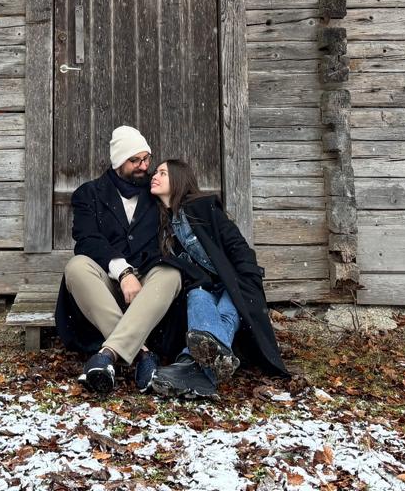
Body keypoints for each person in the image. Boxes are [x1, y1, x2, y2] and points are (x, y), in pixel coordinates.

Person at [54, 126, 184, 395]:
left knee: (172, 274)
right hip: (107, 281)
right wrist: (123, 273)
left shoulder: (155, 192)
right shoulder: (88, 194)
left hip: (148, 281)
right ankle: (142, 354)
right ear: (118, 162)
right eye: (134, 160)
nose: (144, 166)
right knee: (76, 267)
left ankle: (108, 356)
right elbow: (87, 240)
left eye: (146, 159)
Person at [148, 158, 289, 398]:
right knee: (198, 295)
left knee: (227, 308)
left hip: (233, 283)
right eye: (155, 172)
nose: (155, 176)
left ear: (179, 179)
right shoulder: (162, 226)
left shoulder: (203, 207)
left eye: (163, 172)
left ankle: (190, 363)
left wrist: (248, 276)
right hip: (201, 288)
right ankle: (202, 374)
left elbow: (236, 244)